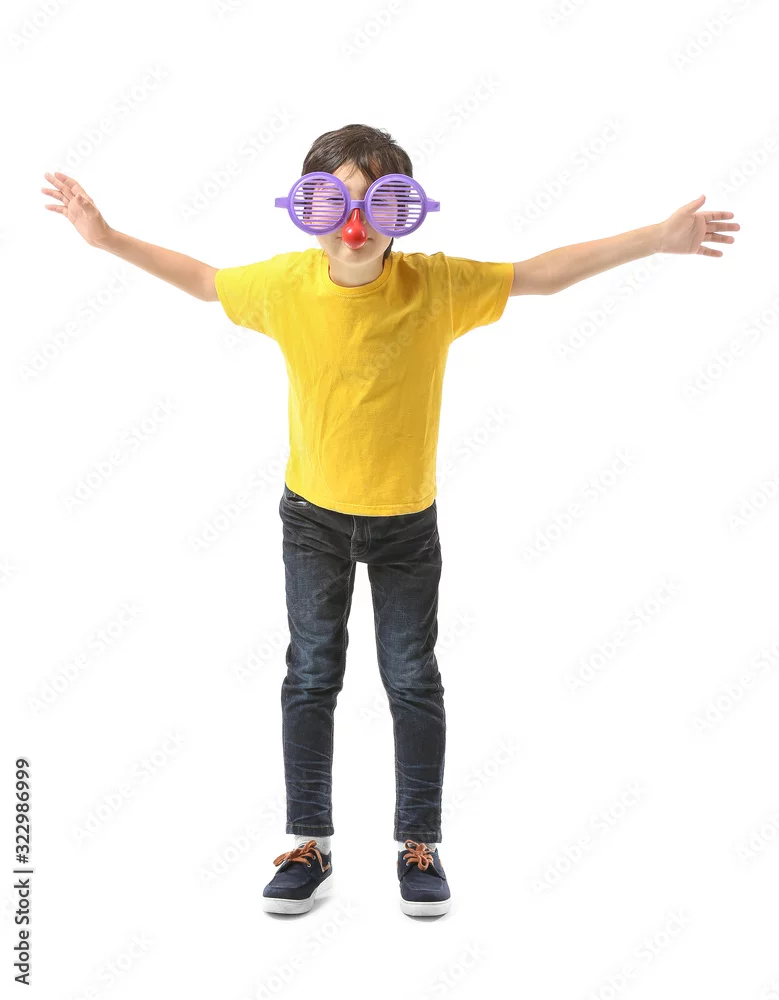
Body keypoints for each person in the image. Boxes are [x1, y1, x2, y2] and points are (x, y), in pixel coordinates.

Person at [42, 123, 739, 918]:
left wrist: (655, 238)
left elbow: (538, 275)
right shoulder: (283, 285)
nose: (354, 223)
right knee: (311, 676)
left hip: (406, 521)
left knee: (411, 678)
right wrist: (106, 238)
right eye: (330, 201)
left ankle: (419, 844)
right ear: (304, 208)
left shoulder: (434, 286)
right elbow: (203, 280)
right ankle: (308, 843)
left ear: (407, 211)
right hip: (312, 518)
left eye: (381, 203)